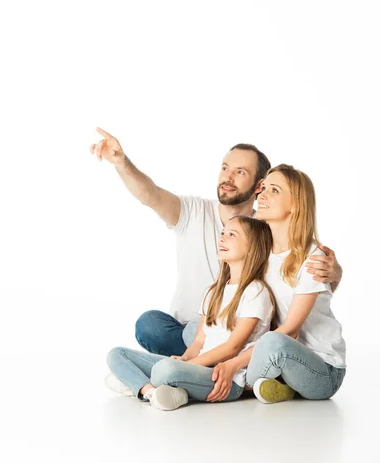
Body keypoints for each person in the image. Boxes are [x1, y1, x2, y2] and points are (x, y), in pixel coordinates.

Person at [90, 128, 343, 355]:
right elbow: (150, 194)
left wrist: (334, 273)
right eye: (225, 168)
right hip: (188, 329)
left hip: (239, 330)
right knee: (151, 326)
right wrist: (122, 163)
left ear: (259, 186)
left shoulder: (268, 228)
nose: (228, 177)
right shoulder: (192, 211)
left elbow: (301, 265)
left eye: (240, 172)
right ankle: (204, 363)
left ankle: (198, 367)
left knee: (241, 336)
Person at [206, 164, 346, 405]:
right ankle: (271, 385)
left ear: (295, 204)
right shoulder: (261, 250)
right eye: (263, 189)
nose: (262, 195)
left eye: (274, 190)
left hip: (321, 369)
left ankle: (225, 382)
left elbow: (289, 331)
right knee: (198, 329)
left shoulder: (312, 258)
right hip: (273, 355)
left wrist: (233, 362)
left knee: (273, 341)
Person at [106, 216, 274, 410]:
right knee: (116, 355)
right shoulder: (213, 292)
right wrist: (185, 359)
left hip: (225, 378)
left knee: (164, 370)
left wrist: (189, 365)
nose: (222, 239)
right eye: (222, 233)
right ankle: (150, 392)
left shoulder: (255, 292)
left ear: (253, 246)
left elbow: (232, 347)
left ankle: (134, 382)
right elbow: (199, 341)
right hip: (197, 368)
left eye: (231, 235)